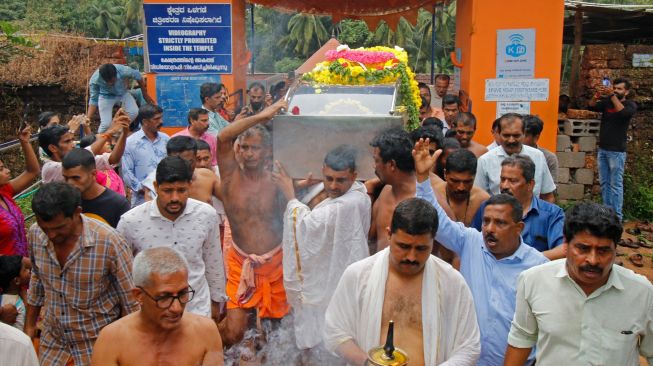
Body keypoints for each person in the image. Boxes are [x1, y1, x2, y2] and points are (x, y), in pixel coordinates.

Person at [412, 138, 548, 366]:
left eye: (500, 223)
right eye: (486, 221)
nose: (490, 229)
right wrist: (423, 180)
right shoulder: (471, 242)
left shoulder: (538, 267)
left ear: (519, 227)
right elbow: (434, 220)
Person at [324, 197, 481, 366]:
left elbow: (469, 347)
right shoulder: (358, 275)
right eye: (404, 246)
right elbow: (335, 332)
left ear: (433, 241)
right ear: (389, 234)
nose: (411, 257)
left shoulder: (452, 283)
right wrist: (368, 363)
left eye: (421, 248)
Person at [504, 202, 653, 366]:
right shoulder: (533, 281)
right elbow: (521, 339)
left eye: (603, 250)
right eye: (583, 248)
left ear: (615, 248)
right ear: (566, 245)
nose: (593, 260)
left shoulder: (642, 293)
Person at [25, 182, 138, 365]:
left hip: (97, 346)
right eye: (46, 229)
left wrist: (126, 349)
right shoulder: (36, 234)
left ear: (77, 212)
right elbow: (37, 281)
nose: (52, 235)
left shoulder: (109, 242)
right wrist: (29, 326)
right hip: (54, 346)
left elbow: (130, 302)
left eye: (59, 228)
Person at [272, 145, 370, 354]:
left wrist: (290, 195)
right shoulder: (357, 192)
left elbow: (307, 226)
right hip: (334, 274)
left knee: (334, 338)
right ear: (322, 170)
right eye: (328, 178)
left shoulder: (350, 203)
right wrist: (303, 186)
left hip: (337, 281)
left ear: (354, 176)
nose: (333, 186)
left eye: (340, 180)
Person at [215, 99, 289, 346]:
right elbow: (224, 137)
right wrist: (263, 115)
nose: (248, 153)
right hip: (240, 262)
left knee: (275, 332)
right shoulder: (229, 177)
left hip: (276, 263)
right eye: (244, 147)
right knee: (234, 331)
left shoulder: (277, 178)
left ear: (267, 151)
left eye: (255, 148)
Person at [117, 156, 226, 319]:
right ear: (156, 187)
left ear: (189, 186)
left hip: (198, 311)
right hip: (153, 317)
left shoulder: (206, 215)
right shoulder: (131, 222)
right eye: (167, 191)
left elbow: (213, 262)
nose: (175, 197)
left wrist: (216, 304)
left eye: (181, 190)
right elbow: (123, 275)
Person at [90, 247, 224, 366]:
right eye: (164, 297)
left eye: (183, 293)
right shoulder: (112, 339)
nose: (176, 308)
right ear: (139, 295)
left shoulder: (205, 331)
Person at [368, 127, 453, 253]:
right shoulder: (385, 192)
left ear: (391, 164)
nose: (374, 166)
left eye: (377, 160)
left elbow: (455, 252)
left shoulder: (431, 201)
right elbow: (371, 239)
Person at [472, 155, 565, 260]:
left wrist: (525, 261)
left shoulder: (551, 214)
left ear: (530, 184)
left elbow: (563, 250)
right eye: (503, 180)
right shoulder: (487, 207)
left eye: (513, 181)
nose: (505, 186)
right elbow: (473, 243)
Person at [475, 113, 556, 202]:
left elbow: (548, 196)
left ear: (524, 134)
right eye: (506, 135)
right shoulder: (485, 160)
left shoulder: (538, 156)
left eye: (516, 135)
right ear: (498, 134)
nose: (511, 140)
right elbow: (479, 198)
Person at [588, 77, 637, 221]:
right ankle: (607, 215)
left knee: (616, 185)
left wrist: (611, 95)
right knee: (604, 183)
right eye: (614, 88)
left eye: (619, 89)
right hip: (603, 149)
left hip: (617, 151)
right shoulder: (608, 102)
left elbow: (623, 114)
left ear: (626, 92)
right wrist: (597, 94)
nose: (616, 90)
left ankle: (617, 218)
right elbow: (591, 106)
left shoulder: (630, 105)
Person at [39, 112, 129, 183]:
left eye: (72, 140)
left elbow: (113, 159)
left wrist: (124, 133)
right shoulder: (49, 168)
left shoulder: (79, 162)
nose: (73, 144)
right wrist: (110, 132)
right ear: (53, 148)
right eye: (67, 142)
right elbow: (82, 156)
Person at [62, 148, 131, 228]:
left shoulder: (118, 204)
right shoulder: (66, 202)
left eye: (76, 178)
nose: (70, 183)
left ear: (93, 174)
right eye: (66, 178)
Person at [142, 136, 220, 205]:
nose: (184, 167)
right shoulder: (154, 182)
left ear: (196, 158)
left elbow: (229, 199)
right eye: (179, 163)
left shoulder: (207, 177)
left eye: (189, 162)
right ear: (169, 159)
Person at [0, 124, 39, 256]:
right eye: (1, 169)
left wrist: (25, 142)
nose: (7, 170)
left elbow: (32, 171)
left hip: (22, 269)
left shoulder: (4, 192)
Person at [122, 104, 169, 206]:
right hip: (142, 200)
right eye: (156, 119)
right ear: (145, 122)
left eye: (161, 117)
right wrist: (146, 189)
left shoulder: (166, 139)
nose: (161, 122)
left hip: (167, 198)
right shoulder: (130, 143)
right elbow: (126, 173)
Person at [87, 63, 154, 133]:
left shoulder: (124, 70)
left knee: (134, 112)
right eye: (108, 82)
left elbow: (138, 76)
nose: (110, 84)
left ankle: (117, 132)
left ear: (116, 74)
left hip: (123, 94)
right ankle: (99, 140)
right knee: (106, 124)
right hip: (105, 96)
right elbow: (94, 99)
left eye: (112, 81)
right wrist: (88, 117)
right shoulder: (95, 80)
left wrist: (144, 94)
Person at [436, 149, 489, 227]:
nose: (461, 188)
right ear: (445, 174)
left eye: (467, 182)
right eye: (455, 181)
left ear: (474, 176)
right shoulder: (434, 196)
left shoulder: (483, 200)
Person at [523, 114, 558, 182]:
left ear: (536, 137)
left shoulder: (548, 158)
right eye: (518, 134)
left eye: (525, 135)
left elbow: (553, 188)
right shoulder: (510, 153)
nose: (519, 138)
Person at [0, 255, 30, 329]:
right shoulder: (17, 305)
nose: (29, 271)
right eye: (25, 269)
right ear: (16, 280)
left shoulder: (2, 299)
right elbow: (22, 330)